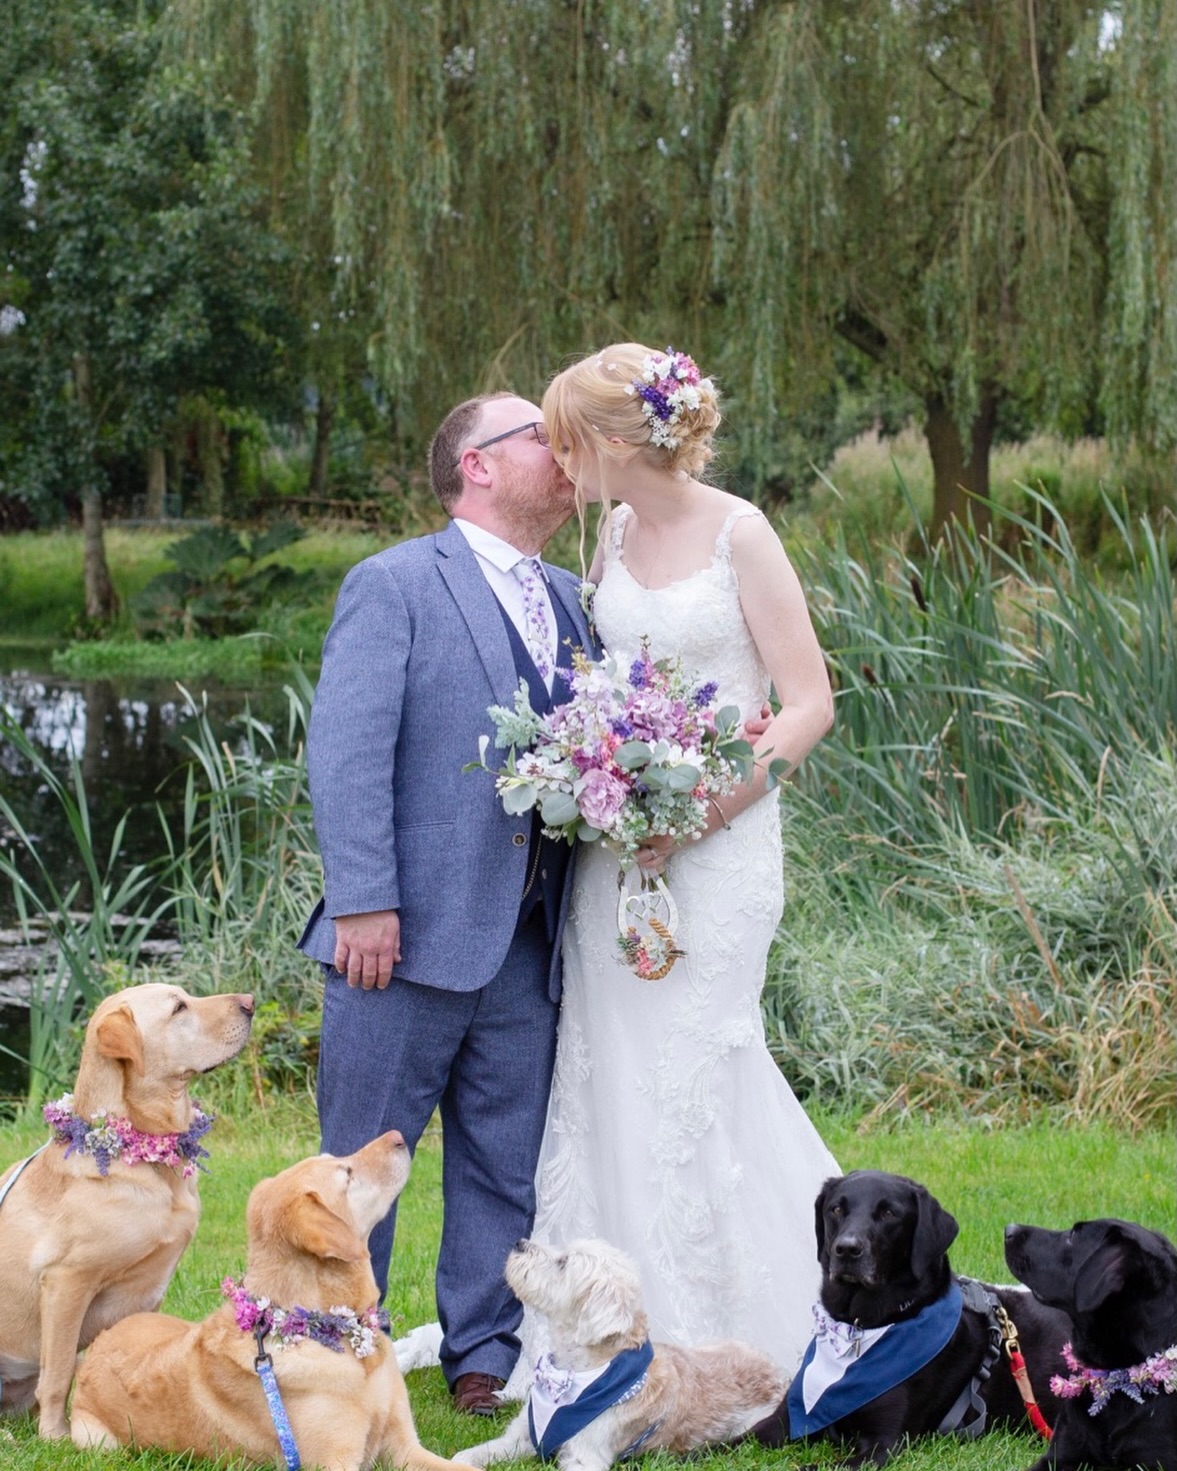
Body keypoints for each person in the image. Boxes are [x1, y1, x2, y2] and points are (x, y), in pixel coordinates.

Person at [515, 342, 840, 1380]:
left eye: (566, 442)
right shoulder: (607, 533)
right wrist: (593, 770)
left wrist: (700, 811)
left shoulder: (740, 532)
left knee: (698, 1073)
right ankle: (602, 1329)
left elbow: (808, 703)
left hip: (720, 853)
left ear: (614, 441)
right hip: (619, 857)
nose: (557, 464)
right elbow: (607, 685)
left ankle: (731, 1331)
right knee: (607, 1070)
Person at [297, 392, 594, 1416]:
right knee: (357, 1162)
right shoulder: (394, 584)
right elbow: (344, 750)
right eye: (541, 440)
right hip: (403, 936)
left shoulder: (571, 595)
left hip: (528, 936)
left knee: (501, 1161)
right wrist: (364, 901)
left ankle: (481, 1353)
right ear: (476, 462)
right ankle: (338, 1344)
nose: (565, 456)